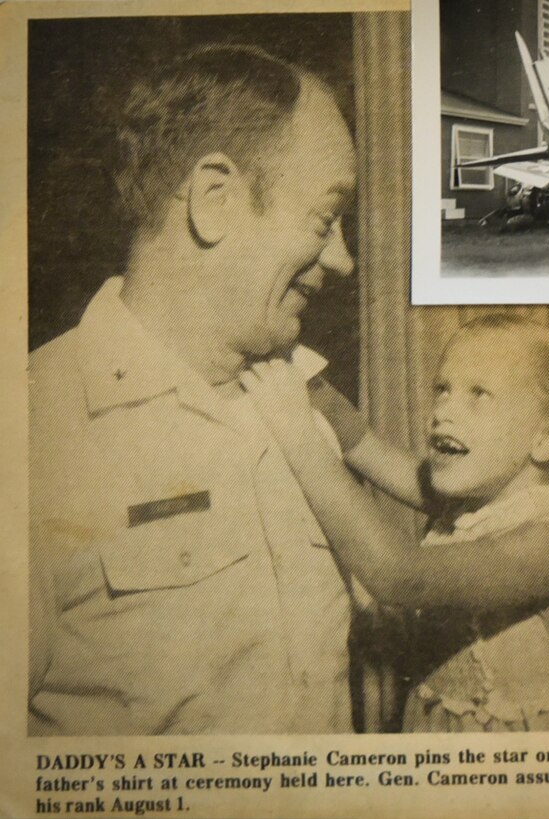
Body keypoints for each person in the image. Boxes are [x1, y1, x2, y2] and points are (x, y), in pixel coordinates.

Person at [28, 44, 362, 735]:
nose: (343, 260)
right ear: (215, 200)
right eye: (325, 220)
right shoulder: (30, 428)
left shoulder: (306, 411)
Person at [241, 316, 549, 732]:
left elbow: (398, 575)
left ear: (546, 438)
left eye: (479, 395)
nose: (443, 411)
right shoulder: (466, 506)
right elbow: (360, 441)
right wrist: (297, 370)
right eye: (442, 389)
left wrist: (296, 432)